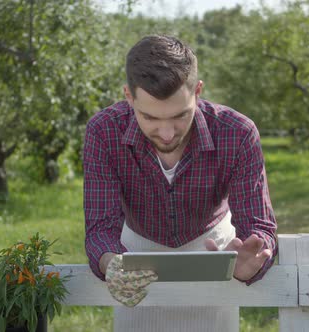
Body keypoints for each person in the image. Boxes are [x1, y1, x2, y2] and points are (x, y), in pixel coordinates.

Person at [83, 34, 278, 332]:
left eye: (179, 116)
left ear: (197, 91)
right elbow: (100, 228)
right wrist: (113, 264)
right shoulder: (103, 131)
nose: (166, 133)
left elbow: (259, 226)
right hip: (133, 254)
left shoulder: (237, 132)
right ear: (128, 96)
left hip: (217, 252)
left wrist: (253, 260)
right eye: (149, 117)